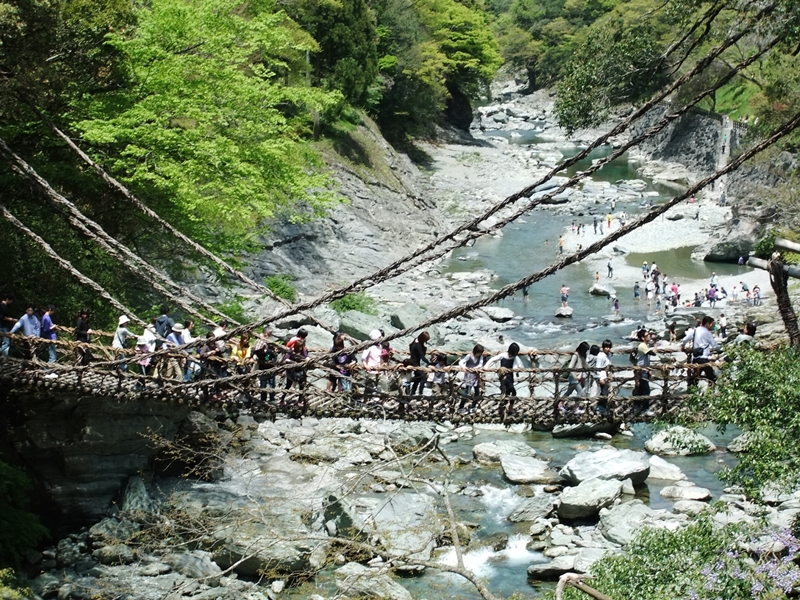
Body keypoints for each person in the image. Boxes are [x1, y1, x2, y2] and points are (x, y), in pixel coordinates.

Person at [485, 342, 524, 416]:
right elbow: (493, 359)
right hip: (504, 377)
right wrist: (486, 367)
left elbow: (515, 364)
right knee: (513, 392)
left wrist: (516, 372)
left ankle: (503, 407)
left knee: (507, 392)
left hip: (510, 376)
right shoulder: (503, 355)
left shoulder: (513, 357)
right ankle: (510, 408)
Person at [682, 316, 721, 385]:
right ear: (707, 324)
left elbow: (685, 339)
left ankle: (691, 392)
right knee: (711, 377)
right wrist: (721, 350)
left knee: (695, 377)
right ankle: (712, 391)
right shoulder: (707, 333)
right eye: (711, 324)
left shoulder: (695, 330)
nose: (711, 326)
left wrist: (683, 346)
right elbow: (715, 345)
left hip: (695, 358)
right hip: (703, 358)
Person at [253, 328, 280, 405]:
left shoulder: (270, 351)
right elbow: (255, 352)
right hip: (262, 368)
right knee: (263, 384)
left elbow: (274, 356)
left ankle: (271, 398)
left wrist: (273, 362)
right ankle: (263, 399)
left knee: (271, 385)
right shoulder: (261, 342)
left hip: (270, 368)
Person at [457, 344, 485, 414]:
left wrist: (476, 368)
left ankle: (473, 407)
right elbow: (460, 362)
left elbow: (481, 364)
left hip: (476, 376)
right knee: (467, 394)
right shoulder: (469, 356)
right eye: (479, 352)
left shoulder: (480, 357)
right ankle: (461, 407)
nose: (480, 354)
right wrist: (464, 367)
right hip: (469, 376)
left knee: (477, 393)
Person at [633, 329, 655, 413]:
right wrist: (656, 344)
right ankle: (645, 409)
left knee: (641, 390)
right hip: (641, 370)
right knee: (646, 390)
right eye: (647, 335)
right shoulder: (642, 346)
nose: (649, 336)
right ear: (642, 338)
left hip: (644, 370)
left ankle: (638, 407)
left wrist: (650, 371)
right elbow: (653, 353)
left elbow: (647, 360)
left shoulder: (645, 345)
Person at [408, 331, 431, 396]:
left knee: (417, 378)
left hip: (414, 362)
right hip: (414, 363)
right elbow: (422, 357)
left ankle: (412, 393)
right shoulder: (417, 345)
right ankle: (420, 393)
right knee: (423, 376)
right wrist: (430, 363)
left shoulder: (415, 341)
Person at [594, 340, 613, 412]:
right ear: (603, 347)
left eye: (609, 347)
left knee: (606, 392)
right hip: (602, 376)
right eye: (606, 347)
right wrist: (600, 378)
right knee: (603, 392)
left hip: (606, 376)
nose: (608, 349)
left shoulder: (608, 355)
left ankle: (604, 407)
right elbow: (598, 367)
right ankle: (600, 407)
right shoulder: (601, 356)